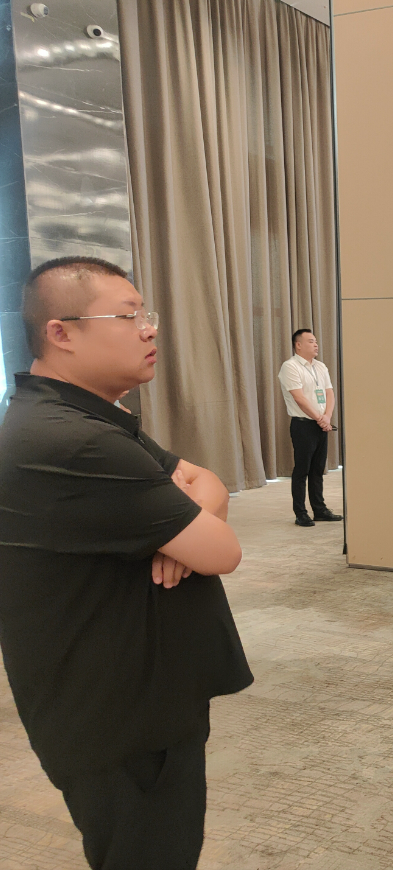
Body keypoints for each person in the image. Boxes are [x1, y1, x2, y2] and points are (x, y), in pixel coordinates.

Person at [0, 257, 253, 870]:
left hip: (129, 699)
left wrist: (175, 534)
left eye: (147, 313)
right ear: (60, 332)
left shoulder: (83, 416)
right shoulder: (76, 441)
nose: (149, 329)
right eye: (128, 315)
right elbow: (223, 551)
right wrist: (185, 535)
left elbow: (206, 480)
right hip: (120, 718)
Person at [278, 328, 342, 527]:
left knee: (317, 469)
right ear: (298, 345)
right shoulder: (290, 367)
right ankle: (301, 513)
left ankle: (319, 510)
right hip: (303, 425)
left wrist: (327, 417)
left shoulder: (320, 366)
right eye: (311, 341)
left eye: (316, 341)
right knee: (302, 469)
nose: (316, 344)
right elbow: (299, 398)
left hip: (322, 424)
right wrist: (319, 419)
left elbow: (329, 393)